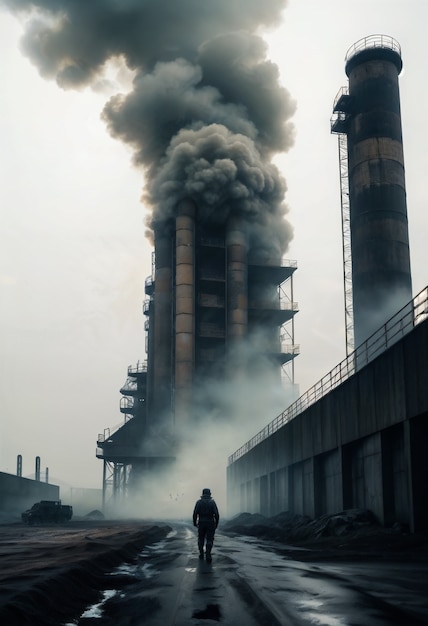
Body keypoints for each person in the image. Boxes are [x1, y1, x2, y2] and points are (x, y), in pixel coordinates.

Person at [193, 488, 219, 562]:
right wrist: (216, 523)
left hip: (201, 522)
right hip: (210, 522)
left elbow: (195, 513)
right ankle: (208, 554)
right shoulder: (212, 502)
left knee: (201, 538)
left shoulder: (199, 502)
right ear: (210, 494)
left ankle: (201, 553)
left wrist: (195, 522)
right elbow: (216, 514)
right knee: (210, 539)